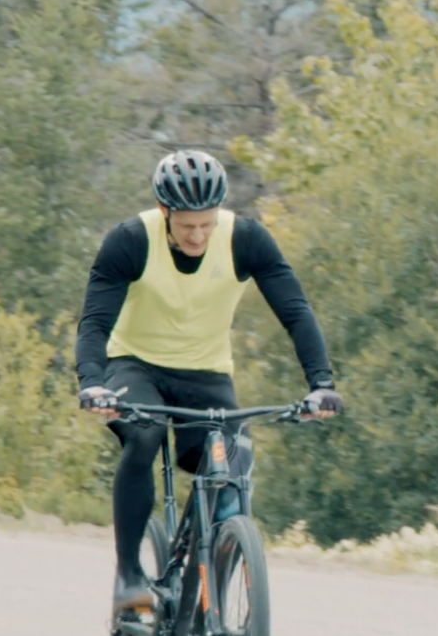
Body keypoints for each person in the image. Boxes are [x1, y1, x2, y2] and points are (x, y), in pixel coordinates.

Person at [74, 149, 343, 612]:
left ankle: (215, 573)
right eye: (186, 226)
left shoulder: (247, 240)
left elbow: (295, 312)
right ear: (165, 213)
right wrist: (93, 383)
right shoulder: (130, 240)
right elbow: (95, 323)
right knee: (145, 436)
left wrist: (321, 383)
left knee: (229, 467)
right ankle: (129, 576)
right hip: (134, 365)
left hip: (206, 373)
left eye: (206, 223)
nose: (198, 235)